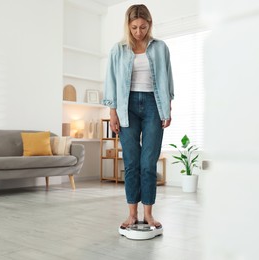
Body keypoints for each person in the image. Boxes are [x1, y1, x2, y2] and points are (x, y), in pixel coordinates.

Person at [103, 4, 174, 229]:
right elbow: (111, 83)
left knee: (148, 163)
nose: (138, 32)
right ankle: (132, 214)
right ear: (128, 26)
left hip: (154, 105)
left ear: (149, 24)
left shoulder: (160, 48)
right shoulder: (118, 50)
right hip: (127, 106)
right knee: (132, 162)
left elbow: (167, 80)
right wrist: (112, 112)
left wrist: (167, 109)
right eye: (134, 27)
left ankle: (149, 214)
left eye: (143, 27)